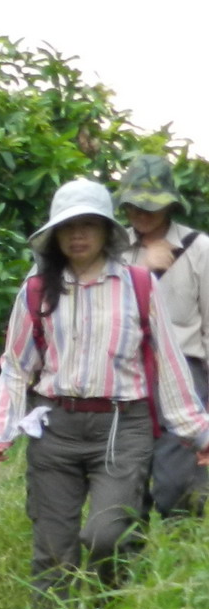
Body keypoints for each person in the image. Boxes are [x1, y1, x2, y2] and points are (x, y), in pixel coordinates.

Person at [0, 177, 209, 605]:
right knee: (52, 549)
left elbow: (169, 362)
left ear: (107, 231)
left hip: (123, 429)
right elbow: (16, 365)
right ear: (54, 236)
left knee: (106, 536)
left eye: (89, 224)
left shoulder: (139, 285)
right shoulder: (37, 289)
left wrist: (198, 431)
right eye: (68, 227)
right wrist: (2, 427)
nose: (78, 235)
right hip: (55, 428)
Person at [114, 154, 209, 517]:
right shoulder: (112, 247)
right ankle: (130, 555)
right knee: (127, 478)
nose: (141, 212)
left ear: (170, 204)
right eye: (134, 204)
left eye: (150, 205)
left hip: (185, 373)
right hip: (126, 372)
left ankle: (180, 551)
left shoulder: (199, 248)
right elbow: (97, 302)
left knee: (176, 485)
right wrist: (140, 267)